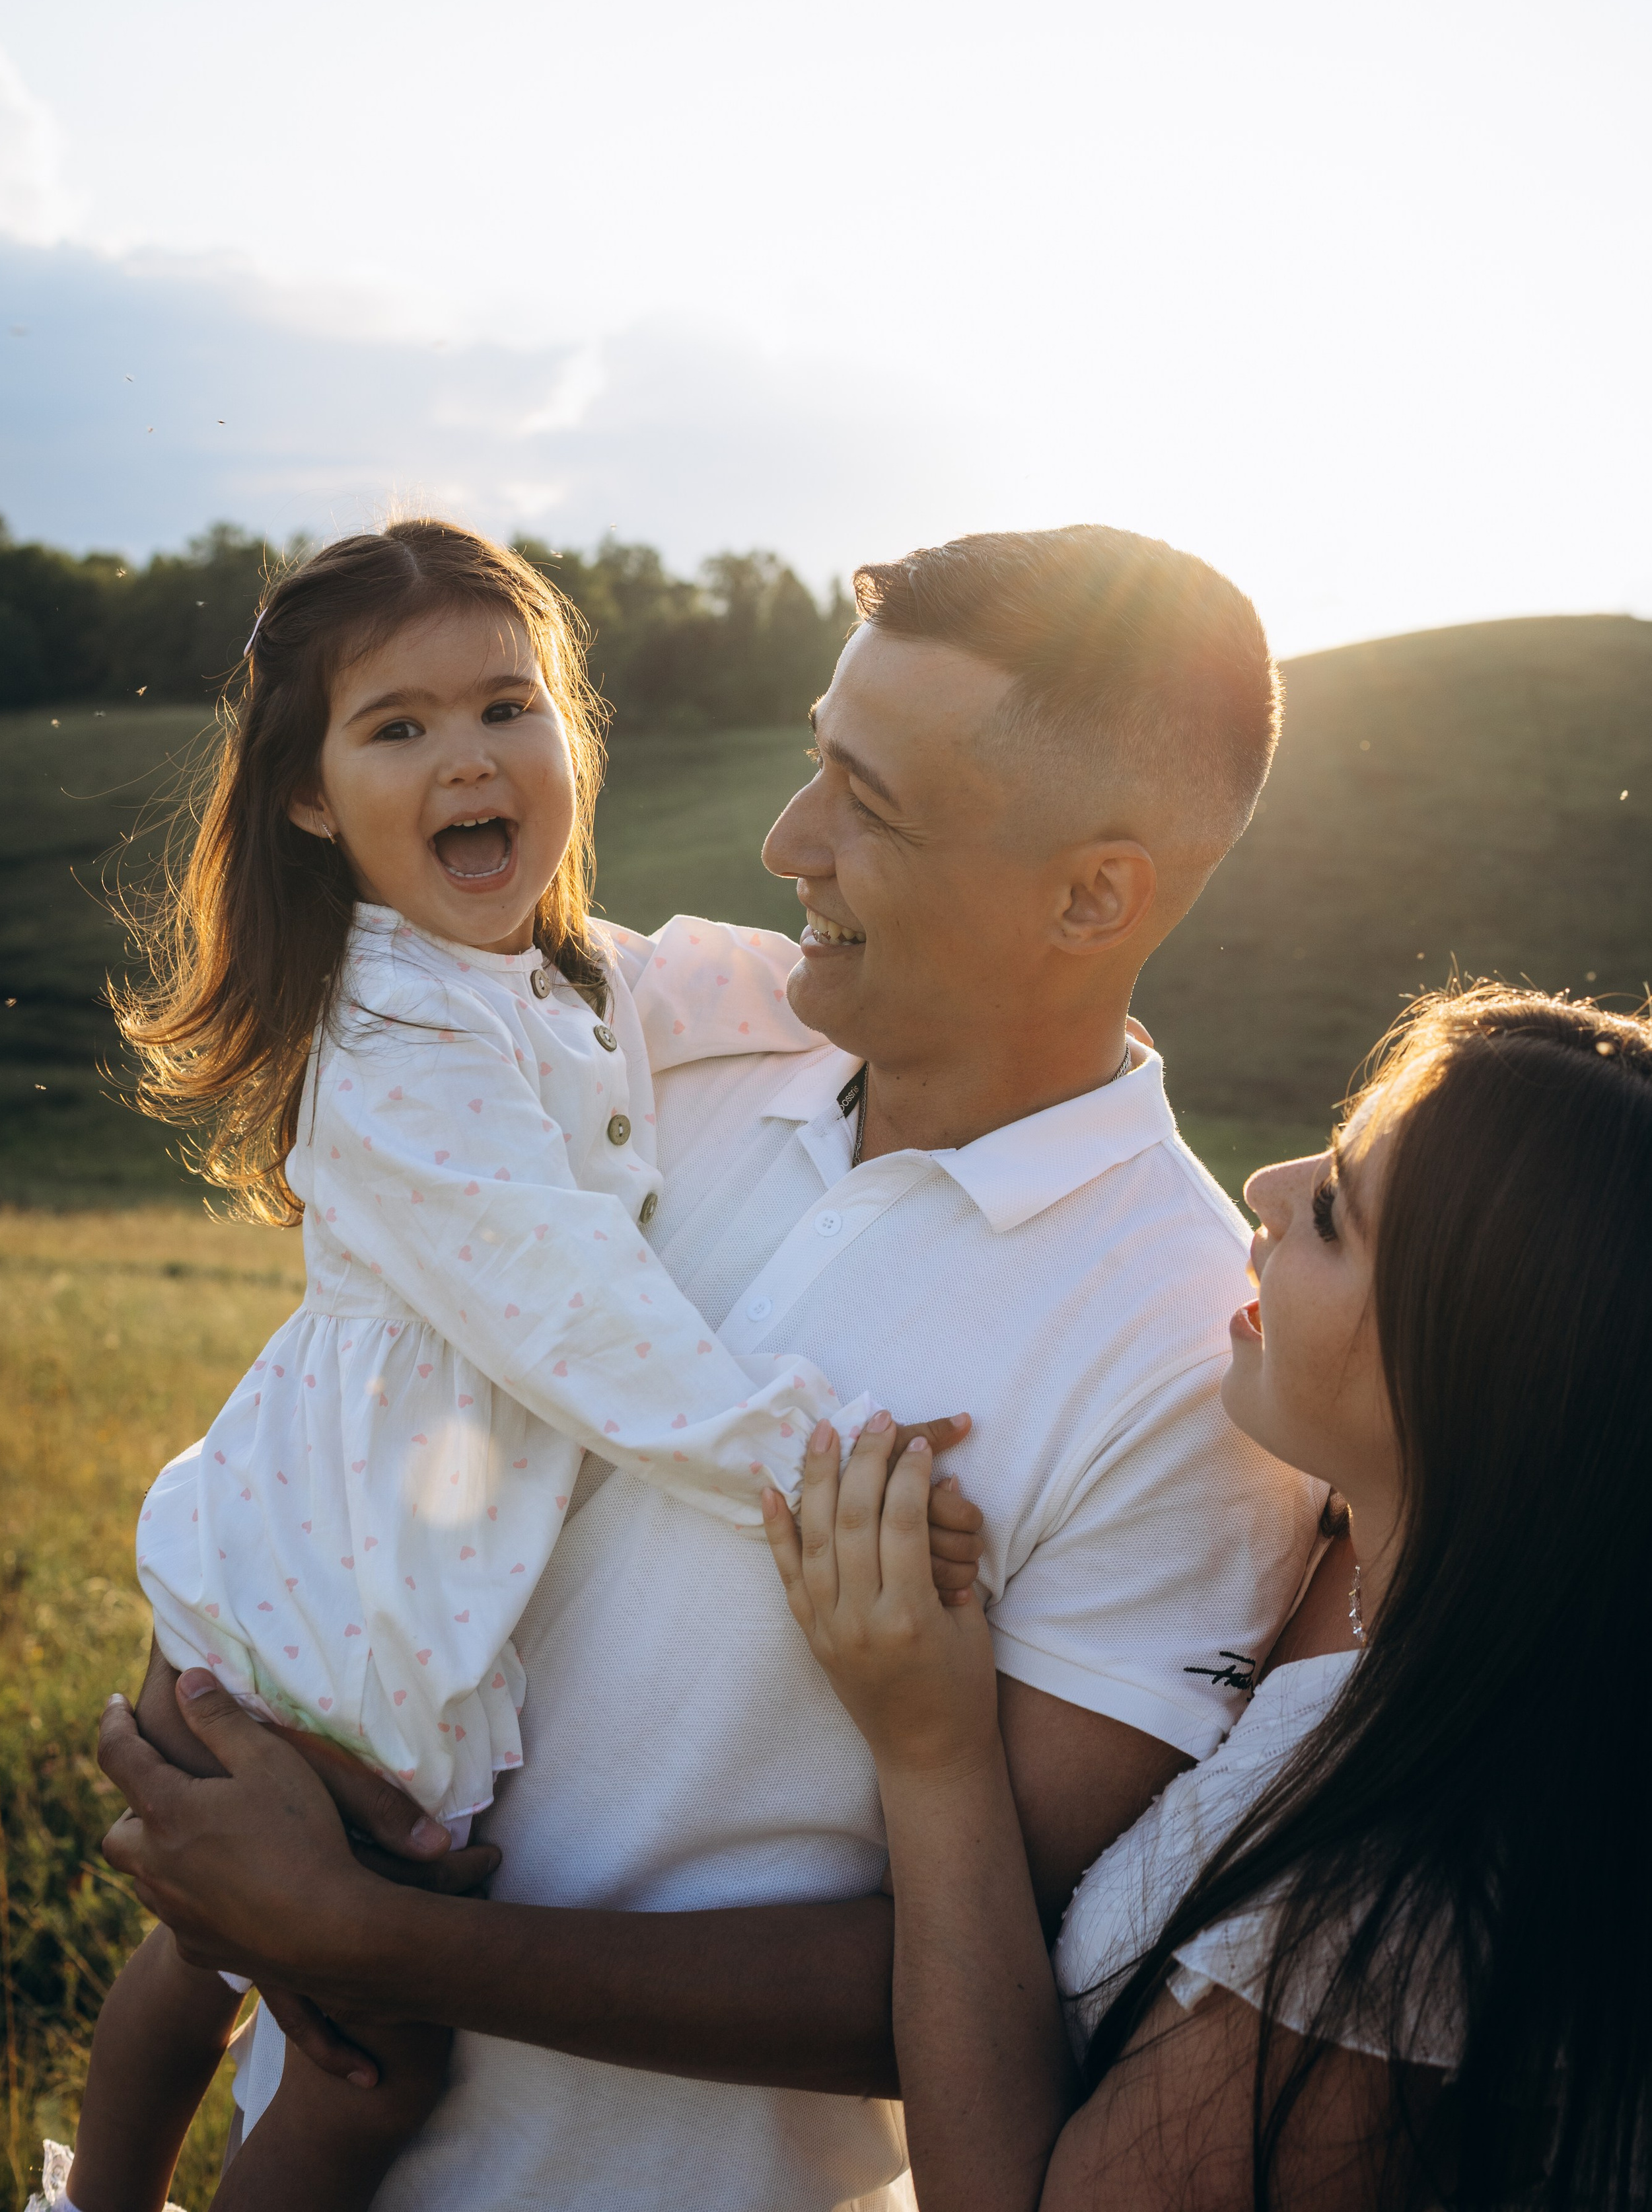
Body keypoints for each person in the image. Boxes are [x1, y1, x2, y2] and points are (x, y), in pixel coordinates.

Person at [96, 524, 1323, 2212]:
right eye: (815, 761)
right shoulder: (645, 1052)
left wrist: (368, 1936)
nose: (783, 840)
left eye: (864, 803)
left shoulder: (1197, 1355)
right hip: (313, 2136)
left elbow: (976, 1974)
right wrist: (228, 1740)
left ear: (1093, 891)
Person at [63, 519, 974, 2212]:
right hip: (328, 1578)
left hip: (409, 1570)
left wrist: (956, 985)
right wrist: (810, 1463)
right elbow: (577, 1317)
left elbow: (737, 979)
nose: (466, 756)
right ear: (311, 799)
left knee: (324, 2001)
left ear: (569, 738)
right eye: (394, 727)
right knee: (298, 2006)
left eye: (505, 707)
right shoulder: (389, 1039)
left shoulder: (565, 975)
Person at [764, 984, 1652, 2209]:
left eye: (1332, 1214)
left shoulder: (1394, 1887)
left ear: (1470, 1373)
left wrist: (934, 1752)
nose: (1262, 1187)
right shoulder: (1392, 1560)